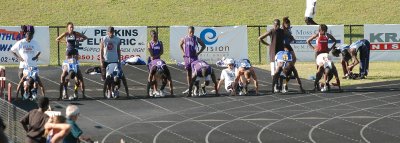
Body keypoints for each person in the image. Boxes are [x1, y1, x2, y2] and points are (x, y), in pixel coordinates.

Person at [11, 25, 45, 99]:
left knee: (32, 81)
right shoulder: (20, 42)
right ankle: (23, 94)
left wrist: (36, 56)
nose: (30, 39)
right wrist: (18, 57)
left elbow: (40, 50)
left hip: (33, 66)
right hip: (23, 65)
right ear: (26, 36)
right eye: (29, 38)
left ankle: (31, 93)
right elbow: (12, 50)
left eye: (31, 37)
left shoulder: (35, 42)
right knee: (22, 80)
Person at [100, 26, 129, 98]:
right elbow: (101, 50)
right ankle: (109, 90)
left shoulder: (117, 39)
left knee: (115, 78)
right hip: (106, 61)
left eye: (112, 32)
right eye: (109, 32)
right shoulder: (104, 39)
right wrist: (101, 60)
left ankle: (114, 90)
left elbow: (118, 50)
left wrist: (119, 60)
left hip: (115, 61)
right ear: (107, 32)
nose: (111, 34)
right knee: (107, 78)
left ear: (114, 32)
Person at [179, 26, 206, 94]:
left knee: (195, 73)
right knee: (188, 73)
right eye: (190, 32)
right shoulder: (184, 38)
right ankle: (189, 87)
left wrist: (198, 52)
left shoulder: (196, 38)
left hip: (194, 58)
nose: (191, 33)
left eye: (193, 32)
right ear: (188, 31)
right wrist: (183, 52)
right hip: (187, 58)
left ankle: (196, 88)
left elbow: (204, 45)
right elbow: (180, 45)